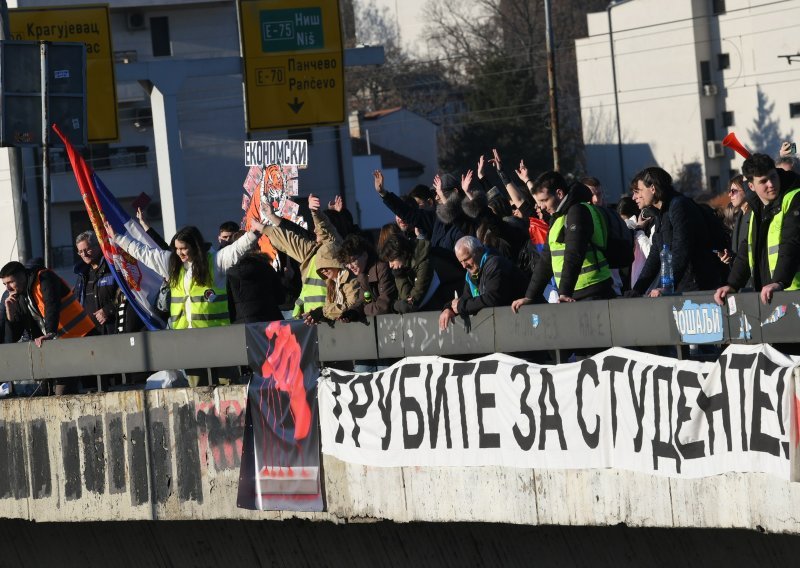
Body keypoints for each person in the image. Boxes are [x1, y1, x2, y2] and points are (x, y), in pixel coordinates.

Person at [114, 222, 263, 329]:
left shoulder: (215, 262)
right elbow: (145, 253)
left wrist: (253, 234)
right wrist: (118, 238)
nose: (179, 253)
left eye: (184, 248)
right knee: (193, 375)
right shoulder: (172, 264)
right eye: (177, 249)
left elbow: (235, 249)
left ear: (195, 246)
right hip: (184, 338)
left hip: (215, 335)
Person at [512, 173, 616, 312]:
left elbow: (574, 253)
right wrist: (530, 297)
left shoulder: (577, 211)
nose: (542, 207)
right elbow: (545, 260)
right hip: (575, 293)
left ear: (559, 194)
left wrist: (564, 292)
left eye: (545, 200)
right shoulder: (558, 217)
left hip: (592, 291)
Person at [715, 153, 800, 305]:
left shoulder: (795, 197)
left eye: (773, 176)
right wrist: (732, 284)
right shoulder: (756, 208)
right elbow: (747, 250)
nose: (771, 184)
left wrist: (779, 282)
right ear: (751, 186)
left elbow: (792, 242)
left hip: (792, 294)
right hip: (770, 295)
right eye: (763, 181)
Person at [1, 260, 98, 394]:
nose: (8, 288)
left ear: (22, 276)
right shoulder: (18, 296)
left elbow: (51, 306)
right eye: (4, 284)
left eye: (10, 282)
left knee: (70, 390)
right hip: (55, 347)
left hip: (80, 337)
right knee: (50, 391)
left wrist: (50, 333)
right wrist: (10, 314)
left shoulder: (44, 277)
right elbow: (14, 336)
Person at [261, 195, 360, 324]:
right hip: (312, 316)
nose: (314, 230)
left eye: (317, 229)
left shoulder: (337, 249)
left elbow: (324, 228)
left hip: (331, 317)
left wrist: (316, 212)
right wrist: (270, 220)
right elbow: (293, 235)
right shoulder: (314, 248)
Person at [629, 167, 721, 297]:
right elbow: (655, 255)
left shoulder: (679, 206)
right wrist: (637, 290)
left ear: (653, 189)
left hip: (697, 288)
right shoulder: (660, 214)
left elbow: (681, 249)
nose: (634, 197)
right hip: (682, 287)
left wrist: (665, 287)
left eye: (639, 191)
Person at [440, 236, 526, 330]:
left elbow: (492, 298)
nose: (464, 266)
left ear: (479, 251)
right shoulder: (472, 273)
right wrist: (449, 308)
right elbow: (466, 298)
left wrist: (461, 306)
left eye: (466, 259)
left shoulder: (495, 264)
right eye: (461, 261)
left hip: (523, 321)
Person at [226, 231, 285, 324]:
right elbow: (281, 298)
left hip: (243, 324)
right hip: (271, 322)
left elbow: (229, 305)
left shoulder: (230, 272)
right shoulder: (266, 267)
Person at [336, 234, 397, 318]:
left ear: (365, 255)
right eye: (347, 263)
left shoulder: (382, 269)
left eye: (353, 260)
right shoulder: (363, 274)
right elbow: (362, 300)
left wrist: (364, 310)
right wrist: (353, 312)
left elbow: (383, 306)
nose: (350, 267)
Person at [73, 231, 121, 335]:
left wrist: (109, 310)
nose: (84, 254)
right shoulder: (82, 276)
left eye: (87, 250)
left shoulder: (113, 268)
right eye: (80, 252)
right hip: (91, 335)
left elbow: (129, 294)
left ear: (98, 246)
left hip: (114, 333)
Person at [379, 232, 436, 313]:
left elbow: (410, 304)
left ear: (402, 253)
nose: (390, 265)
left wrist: (400, 277)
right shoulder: (406, 265)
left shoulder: (423, 263)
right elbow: (405, 301)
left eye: (392, 260)